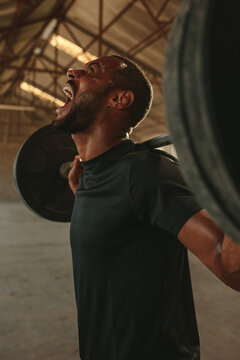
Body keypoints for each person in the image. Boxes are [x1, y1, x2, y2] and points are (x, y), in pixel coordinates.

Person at [52, 55, 240, 360]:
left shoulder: (145, 171)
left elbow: (231, 266)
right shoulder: (92, 179)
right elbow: (118, 229)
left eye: (91, 71)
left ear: (119, 98)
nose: (73, 71)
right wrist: (83, 194)